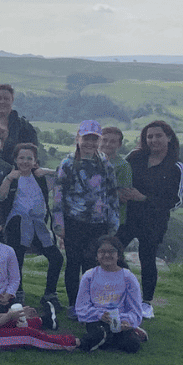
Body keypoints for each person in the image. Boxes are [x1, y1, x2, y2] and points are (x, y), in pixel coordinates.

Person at [118, 121, 183, 319]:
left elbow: (175, 201)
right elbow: (119, 175)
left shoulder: (176, 167)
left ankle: (146, 303)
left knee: (147, 260)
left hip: (154, 221)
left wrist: (144, 198)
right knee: (112, 250)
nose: (153, 140)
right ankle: (123, 291)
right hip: (128, 216)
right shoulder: (135, 157)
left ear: (169, 137)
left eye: (158, 136)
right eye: (150, 136)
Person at [53, 120, 120, 313]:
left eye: (94, 139)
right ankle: (74, 304)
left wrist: (113, 222)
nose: (90, 143)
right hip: (74, 222)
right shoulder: (67, 163)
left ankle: (91, 303)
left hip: (98, 224)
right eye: (86, 138)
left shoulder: (105, 164)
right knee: (74, 263)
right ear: (78, 138)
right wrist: (58, 224)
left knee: (93, 265)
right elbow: (58, 195)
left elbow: (112, 194)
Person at [0, 142, 62, 314]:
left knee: (56, 258)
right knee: (17, 258)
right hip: (17, 223)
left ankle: (50, 293)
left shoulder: (40, 177)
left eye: (29, 158)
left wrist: (45, 171)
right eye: (21, 158)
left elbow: (63, 176)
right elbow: (0, 197)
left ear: (35, 161)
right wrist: (8, 178)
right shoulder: (12, 177)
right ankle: (17, 292)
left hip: (38, 224)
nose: (25, 161)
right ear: (15, 160)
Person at [75, 236, 146, 352]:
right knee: (100, 335)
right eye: (102, 252)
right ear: (96, 255)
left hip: (120, 321)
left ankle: (131, 332)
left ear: (118, 255)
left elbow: (135, 308)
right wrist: (99, 315)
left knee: (132, 345)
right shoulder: (89, 276)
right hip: (97, 320)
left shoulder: (128, 277)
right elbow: (81, 307)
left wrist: (127, 321)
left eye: (111, 251)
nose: (107, 255)